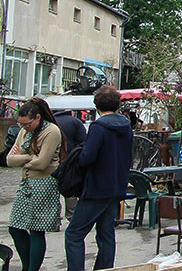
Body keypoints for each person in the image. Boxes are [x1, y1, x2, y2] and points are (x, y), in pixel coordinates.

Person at [64, 86, 133, 271]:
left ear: (97, 106)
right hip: (116, 187)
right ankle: (105, 268)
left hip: (96, 188)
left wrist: (78, 156)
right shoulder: (126, 126)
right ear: (118, 105)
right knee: (106, 234)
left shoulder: (99, 127)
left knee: (74, 234)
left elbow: (87, 158)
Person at [7, 97, 65, 271]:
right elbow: (9, 160)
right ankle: (27, 266)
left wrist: (22, 159)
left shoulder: (51, 131)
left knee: (36, 229)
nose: (24, 127)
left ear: (38, 117)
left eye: (27, 124)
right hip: (27, 182)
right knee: (15, 227)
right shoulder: (24, 132)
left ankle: (32, 268)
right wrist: (30, 157)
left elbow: (42, 163)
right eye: (21, 124)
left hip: (44, 183)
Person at [54, 110, 87, 220]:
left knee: (53, 191)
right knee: (70, 187)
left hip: (53, 159)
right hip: (70, 160)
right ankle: (72, 216)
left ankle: (55, 219)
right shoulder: (76, 122)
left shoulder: (51, 122)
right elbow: (83, 141)